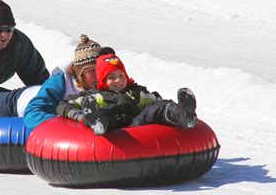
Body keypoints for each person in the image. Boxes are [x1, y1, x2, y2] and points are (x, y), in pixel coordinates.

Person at [56, 48, 198, 135]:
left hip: (137, 126)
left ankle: (182, 114)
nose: (118, 81)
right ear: (102, 81)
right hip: (112, 127)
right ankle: (96, 120)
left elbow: (156, 101)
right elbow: (64, 104)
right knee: (105, 113)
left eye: (121, 76)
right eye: (111, 77)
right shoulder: (96, 95)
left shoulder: (136, 92)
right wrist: (80, 116)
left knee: (154, 109)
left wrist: (168, 106)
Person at [23, 34, 102, 129]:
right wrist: (68, 124)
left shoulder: (112, 79)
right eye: (92, 71)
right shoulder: (62, 80)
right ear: (80, 74)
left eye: (101, 69)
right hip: (17, 103)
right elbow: (32, 114)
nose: (99, 76)